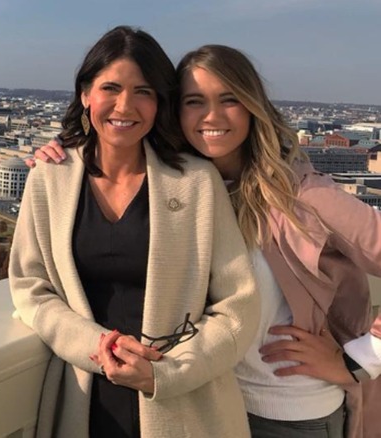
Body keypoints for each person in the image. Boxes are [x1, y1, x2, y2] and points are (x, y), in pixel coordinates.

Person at [30, 44, 381, 438]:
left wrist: (361, 359)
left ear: (252, 106)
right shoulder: (183, 187)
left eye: (228, 99)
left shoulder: (303, 196)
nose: (211, 116)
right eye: (194, 101)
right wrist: (64, 155)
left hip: (289, 413)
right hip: (205, 406)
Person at [8, 27, 260, 438]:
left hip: (181, 399)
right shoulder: (49, 179)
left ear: (160, 102)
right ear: (86, 94)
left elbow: (238, 304)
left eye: (143, 91)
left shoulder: (196, 181)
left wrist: (167, 372)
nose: (125, 105)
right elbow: (31, 286)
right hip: (86, 396)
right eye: (110, 87)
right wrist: (97, 346)